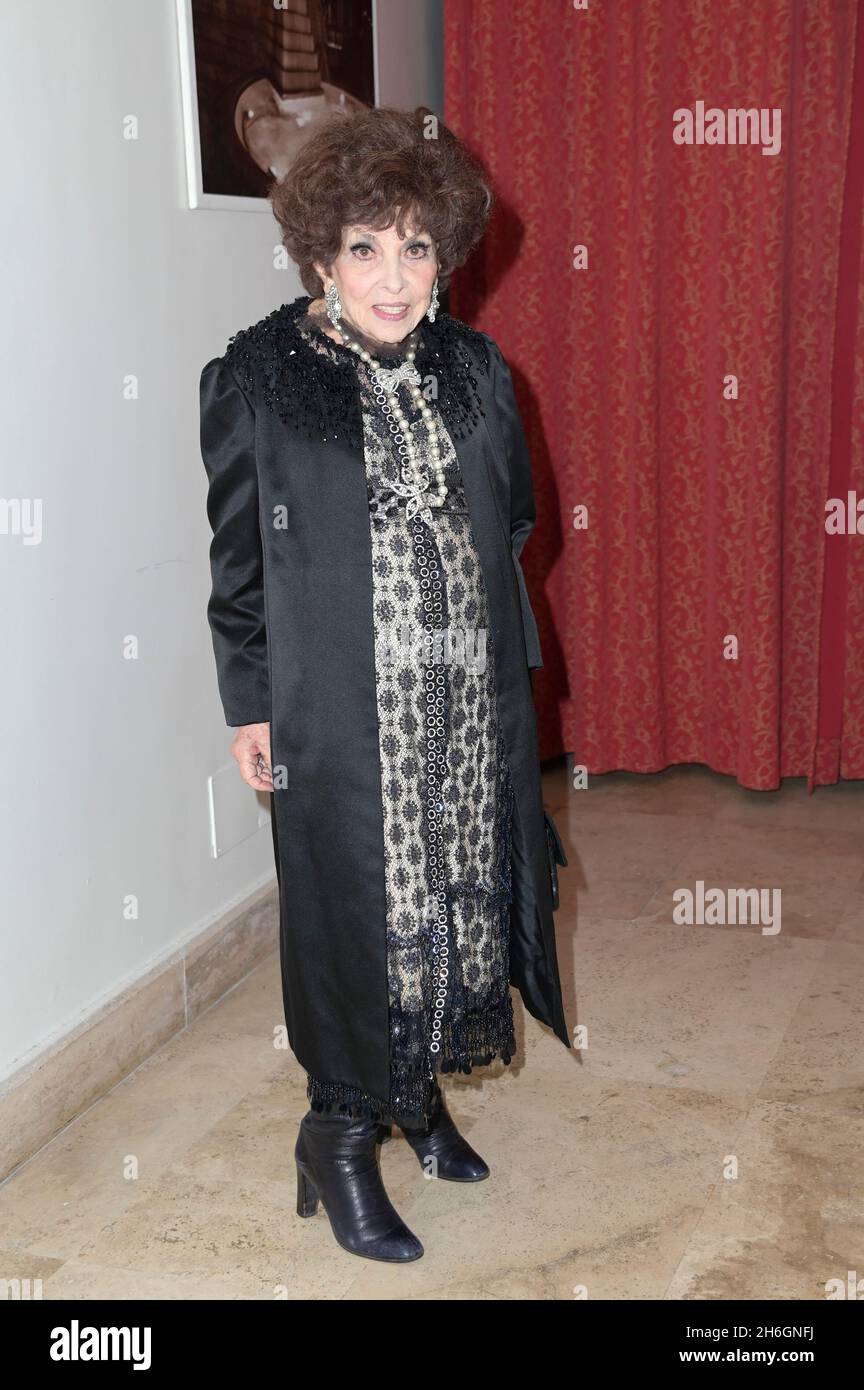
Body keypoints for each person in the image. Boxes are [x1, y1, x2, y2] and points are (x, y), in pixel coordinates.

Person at [199, 104, 570, 1264]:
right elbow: (239, 562)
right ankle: (341, 1132)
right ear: (320, 253)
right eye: (366, 246)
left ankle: (417, 1099)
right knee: (355, 917)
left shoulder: (474, 368)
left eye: (417, 246)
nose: (395, 276)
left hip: (460, 712)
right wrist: (250, 700)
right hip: (335, 717)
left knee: (449, 902)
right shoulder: (258, 377)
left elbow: (515, 519)